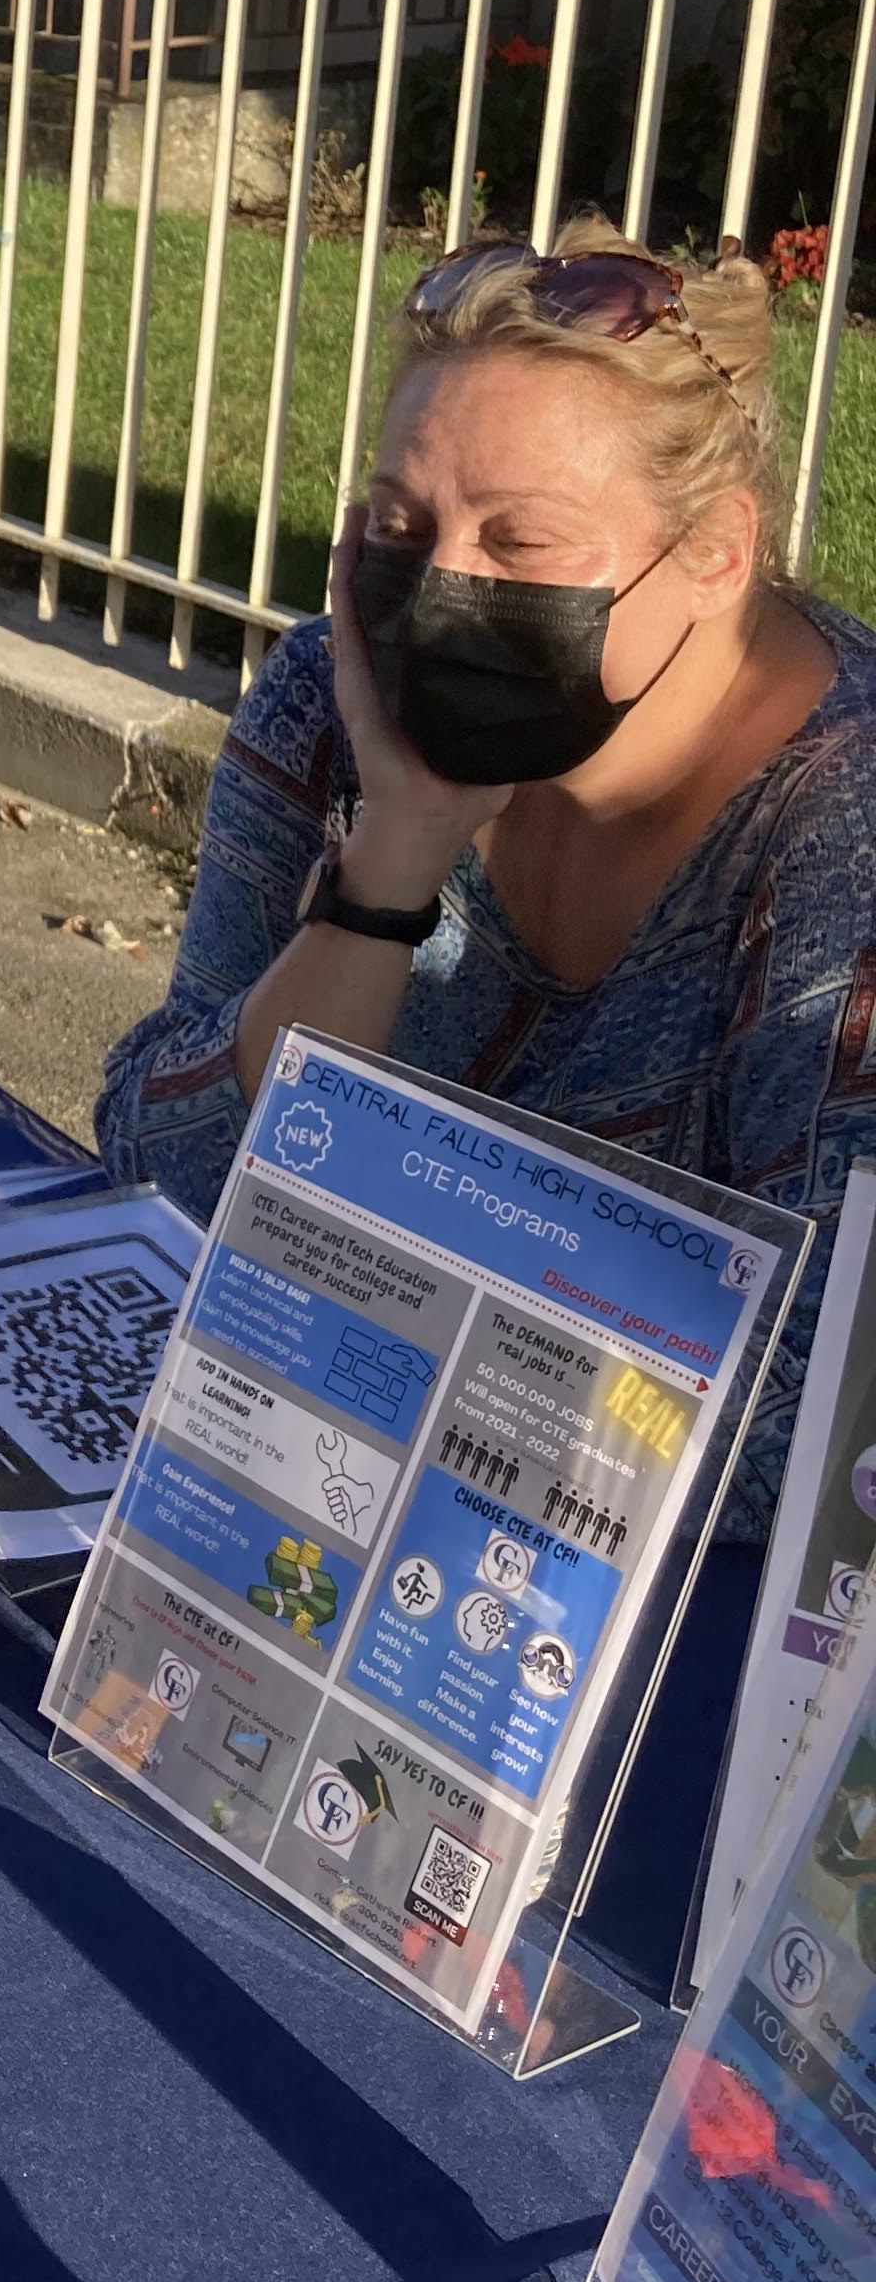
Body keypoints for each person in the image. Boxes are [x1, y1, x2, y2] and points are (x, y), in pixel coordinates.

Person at [103, 217, 876, 1529]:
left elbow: (812, 1423)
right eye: (402, 524)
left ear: (715, 555)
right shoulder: (327, 711)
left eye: (521, 543)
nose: (443, 585)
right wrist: (390, 868)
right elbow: (160, 1170)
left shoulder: (842, 842)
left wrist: (348, 1301)